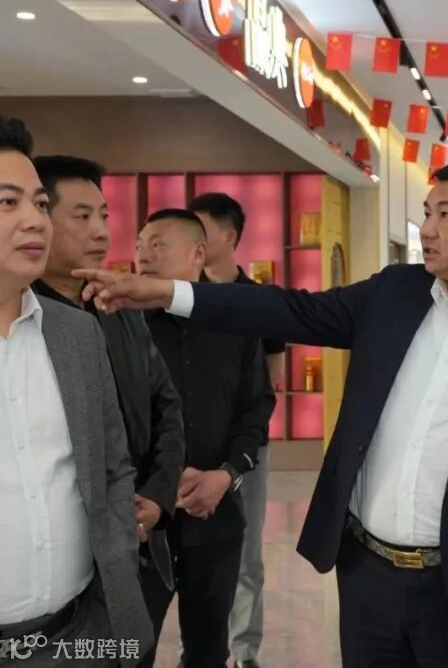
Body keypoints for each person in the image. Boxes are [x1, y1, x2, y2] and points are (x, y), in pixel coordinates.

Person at [76, 163, 448, 667]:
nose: (428, 229)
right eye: (427, 213)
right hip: (370, 577)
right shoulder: (394, 295)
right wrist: (166, 292)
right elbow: (288, 310)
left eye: (445, 215)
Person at [0, 116, 153, 666]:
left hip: (79, 632)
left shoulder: (76, 333)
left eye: (40, 204)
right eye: (7, 203)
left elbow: (112, 465)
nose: (33, 221)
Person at [30, 155, 186, 663]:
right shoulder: (24, 320)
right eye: (82, 216)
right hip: (60, 560)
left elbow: (166, 407)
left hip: (138, 544)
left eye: (104, 215)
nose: (100, 231)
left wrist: (156, 498)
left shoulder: (118, 308)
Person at [132, 208, 275, 668]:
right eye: (139, 245)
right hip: (141, 522)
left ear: (197, 253)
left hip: (215, 515)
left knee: (208, 649)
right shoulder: (124, 324)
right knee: (130, 649)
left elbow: (256, 408)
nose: (143, 255)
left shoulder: (234, 321)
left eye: (158, 244)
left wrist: (226, 474)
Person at [188, 192, 285, 668]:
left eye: (201, 229)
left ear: (228, 236)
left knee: (246, 554)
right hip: (192, 449)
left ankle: (246, 651)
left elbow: (272, 378)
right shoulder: (185, 296)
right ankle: (200, 648)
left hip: (246, 450)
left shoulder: (260, 301)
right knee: (194, 554)